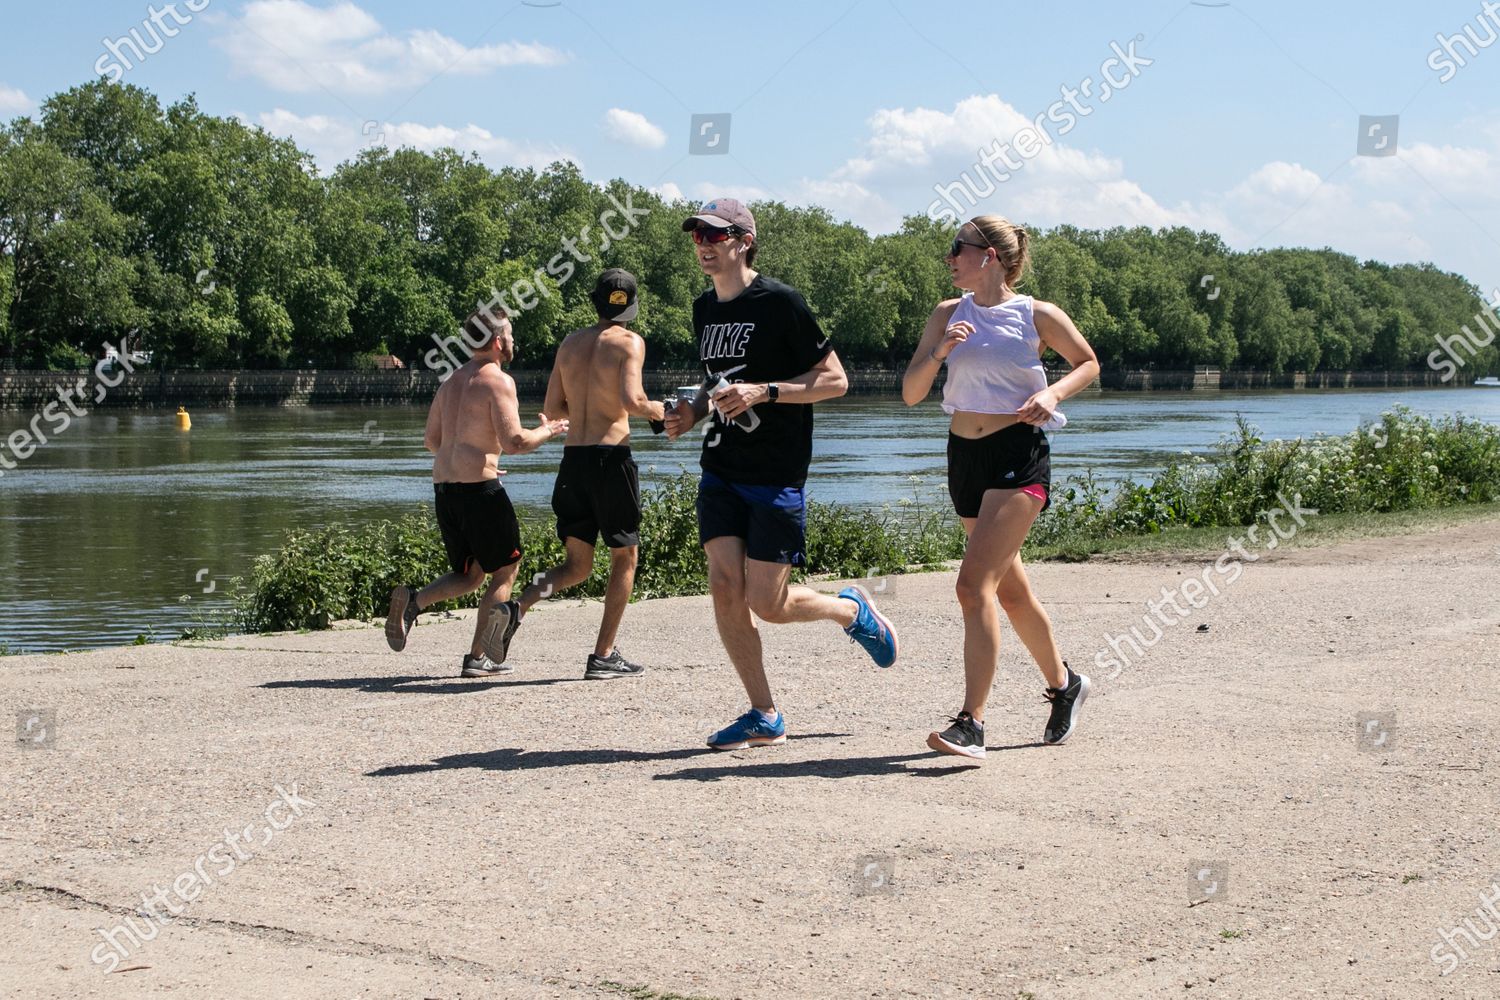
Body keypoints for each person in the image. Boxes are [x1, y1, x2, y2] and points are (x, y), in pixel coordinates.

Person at [665, 197, 898, 751]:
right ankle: (763, 713)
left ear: (743, 241)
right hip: (721, 468)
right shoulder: (704, 309)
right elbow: (716, 381)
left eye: (714, 236)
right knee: (724, 588)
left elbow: (836, 381)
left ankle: (851, 609)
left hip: (775, 473)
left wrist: (766, 391)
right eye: (697, 236)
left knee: (767, 604)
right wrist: (691, 412)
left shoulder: (781, 303)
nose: (703, 244)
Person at [902, 215, 1101, 760]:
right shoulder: (947, 314)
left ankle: (972, 722)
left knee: (972, 587)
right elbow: (912, 393)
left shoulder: (1035, 314)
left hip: (1019, 457)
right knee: (1009, 591)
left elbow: (1088, 363)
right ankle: (1065, 685)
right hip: (964, 457)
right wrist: (941, 351)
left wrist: (1053, 395)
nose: (949, 258)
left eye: (956, 249)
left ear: (987, 255)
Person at [501, 269, 666, 679]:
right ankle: (603, 654)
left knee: (576, 566)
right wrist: (659, 410)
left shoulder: (569, 344)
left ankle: (515, 608)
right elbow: (633, 398)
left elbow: (554, 409)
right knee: (624, 557)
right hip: (611, 460)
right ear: (630, 306)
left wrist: (589, 406)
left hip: (573, 462)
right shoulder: (630, 342)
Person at [384, 309, 568, 676]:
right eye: (510, 335)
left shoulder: (450, 381)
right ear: (498, 342)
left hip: (445, 489)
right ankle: (477, 658)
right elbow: (515, 441)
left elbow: (432, 441)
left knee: (471, 574)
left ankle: (414, 604)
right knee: (506, 571)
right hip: (479, 492)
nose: (514, 341)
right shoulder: (497, 381)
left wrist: (474, 458)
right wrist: (551, 430)